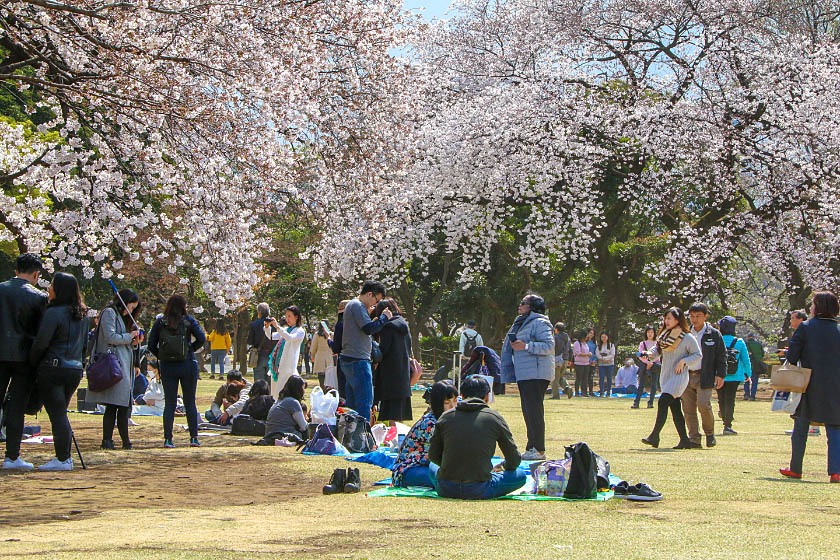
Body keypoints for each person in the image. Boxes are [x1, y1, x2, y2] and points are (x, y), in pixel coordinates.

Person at [428, 376, 526, 499]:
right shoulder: (494, 418)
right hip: (480, 488)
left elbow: (433, 456)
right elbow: (514, 459)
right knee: (520, 475)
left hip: (447, 487)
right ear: (487, 396)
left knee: (432, 466)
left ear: (462, 396)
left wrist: (451, 467)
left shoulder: (445, 417)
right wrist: (502, 467)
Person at [28, 272, 88, 471]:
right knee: (60, 412)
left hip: (53, 368)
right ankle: (64, 457)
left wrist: (32, 361)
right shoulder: (81, 314)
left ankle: (63, 458)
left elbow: (41, 342)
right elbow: (85, 345)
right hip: (74, 369)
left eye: (52, 285)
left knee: (58, 414)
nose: (49, 288)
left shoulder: (54, 312)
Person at [780, 291, 840, 483]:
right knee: (835, 428)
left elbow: (792, 357)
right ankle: (836, 471)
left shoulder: (806, 328)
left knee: (801, 426)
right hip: (836, 385)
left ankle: (796, 468)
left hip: (809, 384)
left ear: (817, 307)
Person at [0, 253, 47, 470]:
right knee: (16, 407)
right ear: (36, 274)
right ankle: (12, 456)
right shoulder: (38, 297)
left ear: (16, 270)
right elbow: (41, 332)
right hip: (24, 358)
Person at [87, 288, 143, 451]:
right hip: (114, 364)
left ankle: (121, 441)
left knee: (122, 404)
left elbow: (123, 339)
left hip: (123, 363)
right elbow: (110, 336)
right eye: (130, 307)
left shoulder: (121, 317)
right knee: (115, 404)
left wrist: (134, 341)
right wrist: (129, 337)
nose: (130, 311)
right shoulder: (109, 313)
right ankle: (112, 440)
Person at [147, 294, 206, 448]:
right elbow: (202, 338)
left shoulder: (161, 322)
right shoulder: (188, 321)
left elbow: (151, 343)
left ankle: (168, 439)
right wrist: (189, 350)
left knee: (170, 403)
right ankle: (193, 437)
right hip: (187, 365)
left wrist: (161, 355)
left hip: (168, 366)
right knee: (189, 402)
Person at [500, 293, 554, 461]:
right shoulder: (522, 322)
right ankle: (531, 447)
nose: (520, 305)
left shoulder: (540, 322)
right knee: (528, 411)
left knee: (534, 411)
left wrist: (526, 346)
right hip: (525, 372)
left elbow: (549, 345)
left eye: (523, 303)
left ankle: (538, 449)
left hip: (536, 373)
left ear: (532, 307)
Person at [641, 307, 702, 449]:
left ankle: (654, 436)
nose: (666, 321)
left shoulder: (687, 337)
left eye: (669, 318)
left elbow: (697, 355)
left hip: (679, 377)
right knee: (675, 408)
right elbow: (657, 351)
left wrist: (684, 361)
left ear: (677, 319)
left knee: (663, 401)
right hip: (666, 375)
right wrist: (648, 354)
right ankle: (684, 440)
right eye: (665, 318)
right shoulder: (664, 336)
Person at [339, 281, 392, 423]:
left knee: (352, 402)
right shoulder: (357, 305)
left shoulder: (353, 305)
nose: (376, 304)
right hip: (358, 360)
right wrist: (384, 318)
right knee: (364, 402)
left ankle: (351, 435)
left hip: (349, 359)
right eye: (376, 299)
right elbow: (369, 329)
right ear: (370, 294)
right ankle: (362, 437)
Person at [391, 380, 458, 488]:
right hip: (408, 470)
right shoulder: (430, 424)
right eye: (446, 403)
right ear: (437, 404)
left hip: (428, 466)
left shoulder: (446, 420)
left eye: (455, 401)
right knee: (449, 480)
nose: (452, 406)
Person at [683, 302, 726, 449]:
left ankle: (709, 433)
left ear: (705, 316)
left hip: (705, 375)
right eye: (692, 316)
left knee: (703, 405)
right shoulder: (685, 333)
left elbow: (721, 355)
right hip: (687, 375)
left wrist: (721, 374)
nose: (694, 319)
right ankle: (694, 438)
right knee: (688, 409)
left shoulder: (713, 334)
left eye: (698, 316)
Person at [372, 298, 413, 424]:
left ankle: (392, 435)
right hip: (403, 371)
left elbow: (383, 350)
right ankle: (398, 435)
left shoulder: (388, 327)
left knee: (391, 410)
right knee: (399, 410)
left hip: (389, 372)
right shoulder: (403, 324)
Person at [717, 316, 751, 435]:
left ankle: (723, 414)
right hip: (735, 375)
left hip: (719, 375)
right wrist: (748, 373)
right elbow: (746, 359)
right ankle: (728, 425)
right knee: (730, 399)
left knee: (721, 398)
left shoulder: (717, 339)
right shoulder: (739, 342)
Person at [265, 306, 306, 398]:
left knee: (282, 391)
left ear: (296, 317)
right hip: (277, 365)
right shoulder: (286, 329)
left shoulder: (300, 331)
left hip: (288, 366)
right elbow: (271, 336)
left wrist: (277, 327)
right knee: (274, 392)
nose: (287, 319)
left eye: (289, 316)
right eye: (286, 316)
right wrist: (267, 327)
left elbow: (290, 338)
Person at [264, 374, 309, 441]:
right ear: (298, 389)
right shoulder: (293, 402)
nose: (304, 391)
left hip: (269, 434)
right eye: (302, 388)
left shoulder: (279, 401)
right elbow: (304, 427)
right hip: (285, 434)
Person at [632, 326, 661, 409]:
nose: (650, 334)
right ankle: (636, 402)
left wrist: (651, 362)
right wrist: (648, 363)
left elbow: (659, 354)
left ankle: (650, 402)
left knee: (654, 384)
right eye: (648, 332)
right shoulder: (642, 343)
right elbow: (640, 355)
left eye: (651, 332)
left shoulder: (657, 343)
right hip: (644, 365)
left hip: (655, 365)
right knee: (641, 384)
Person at [247, 303, 274, 384]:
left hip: (259, 355)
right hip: (272, 355)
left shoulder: (254, 325)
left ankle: (260, 396)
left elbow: (250, 341)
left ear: (259, 312)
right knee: (270, 382)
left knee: (259, 382)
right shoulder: (274, 324)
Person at [329, 300, 350, 397]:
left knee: (343, 390)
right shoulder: (354, 323)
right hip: (357, 358)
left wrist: (329, 340)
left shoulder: (340, 324)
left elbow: (336, 348)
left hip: (343, 359)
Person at [551, 322, 573, 399]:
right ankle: (567, 388)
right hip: (565, 359)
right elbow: (570, 349)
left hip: (557, 359)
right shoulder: (567, 338)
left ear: (556, 329)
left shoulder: (556, 338)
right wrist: (570, 359)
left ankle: (555, 395)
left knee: (554, 378)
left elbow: (554, 349)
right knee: (560, 377)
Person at [311, 321, 333, 390]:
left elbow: (313, 347)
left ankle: (323, 390)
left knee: (321, 377)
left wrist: (312, 356)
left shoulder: (317, 335)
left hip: (320, 357)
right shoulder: (331, 334)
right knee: (329, 377)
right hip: (330, 357)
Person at [743, 333, 765, 401]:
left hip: (747, 365)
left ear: (748, 337)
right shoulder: (759, 344)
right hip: (756, 365)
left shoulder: (745, 344)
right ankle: (752, 396)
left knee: (746, 380)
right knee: (755, 381)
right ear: (754, 337)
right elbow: (762, 354)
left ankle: (746, 395)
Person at [596, 331, 616, 397]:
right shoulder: (599, 346)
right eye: (602, 337)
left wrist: (605, 358)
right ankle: (601, 392)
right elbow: (597, 354)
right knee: (601, 378)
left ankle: (608, 392)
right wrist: (601, 358)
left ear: (607, 337)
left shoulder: (611, 345)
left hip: (610, 364)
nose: (603, 338)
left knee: (609, 378)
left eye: (605, 337)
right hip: (601, 365)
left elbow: (612, 354)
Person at [586, 327, 598, 396]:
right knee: (585, 377)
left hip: (592, 362)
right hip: (585, 362)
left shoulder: (594, 343)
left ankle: (591, 391)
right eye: (590, 333)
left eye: (593, 334)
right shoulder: (584, 342)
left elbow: (596, 352)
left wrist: (594, 360)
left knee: (591, 377)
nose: (591, 335)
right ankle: (584, 391)